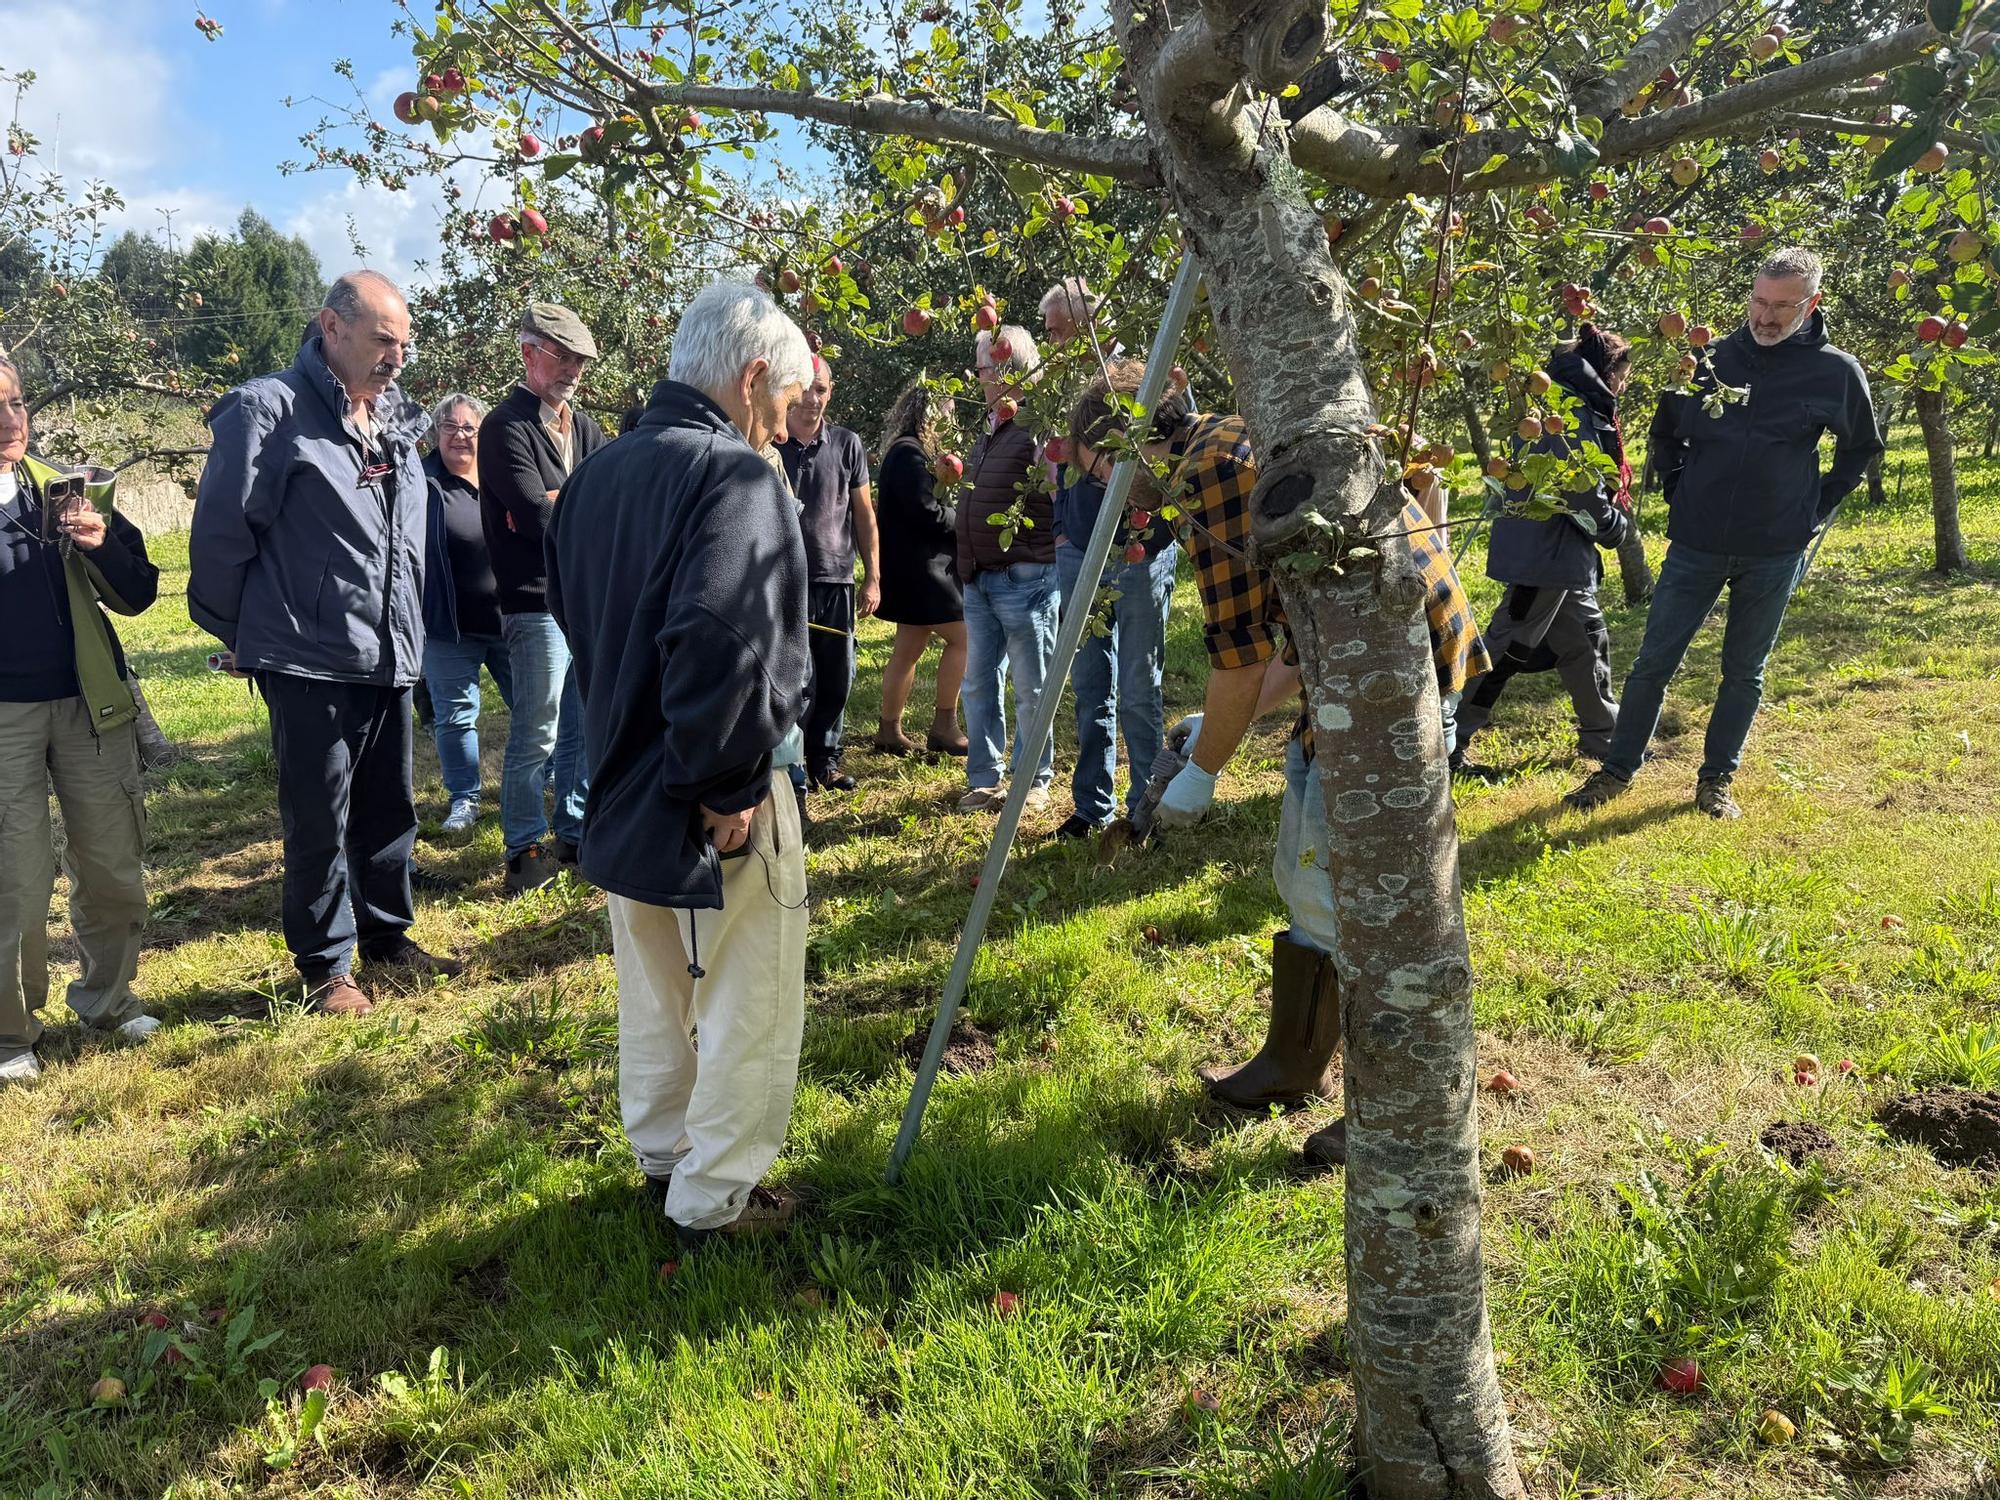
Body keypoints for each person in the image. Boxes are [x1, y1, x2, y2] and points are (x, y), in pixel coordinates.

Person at [1068, 362, 1488, 1164]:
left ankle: (1395, 1111)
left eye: (1102, 474)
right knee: (1310, 863)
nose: (1111, 497)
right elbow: (1294, 626)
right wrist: (1220, 727)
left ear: (1128, 446)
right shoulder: (1228, 441)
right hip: (1360, 651)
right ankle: (1295, 1063)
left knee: (1360, 894)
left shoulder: (1207, 478)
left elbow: (1237, 655)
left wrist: (1204, 771)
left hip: (1391, 667)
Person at [545, 278, 813, 1244]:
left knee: (653, 981)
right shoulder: (737, 478)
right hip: (713, 793)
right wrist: (727, 784)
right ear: (751, 378)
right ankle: (712, 1199)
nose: (782, 427)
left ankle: (662, 1155)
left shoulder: (594, 478)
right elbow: (722, 639)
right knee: (749, 990)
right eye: (783, 403)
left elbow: (578, 618)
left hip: (621, 775)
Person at [190, 271, 461, 1019]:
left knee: (389, 809)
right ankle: (326, 966)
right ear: (331, 327)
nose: (396, 358)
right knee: (320, 818)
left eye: (404, 344)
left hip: (389, 652)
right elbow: (220, 538)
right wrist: (248, 635)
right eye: (382, 341)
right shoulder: (267, 411)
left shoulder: (396, 421)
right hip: (308, 657)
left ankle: (387, 939)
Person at [1566, 246, 1882, 819]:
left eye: (1782, 307)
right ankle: (1617, 769)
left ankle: (1716, 780)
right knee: (1654, 662)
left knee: (1743, 671)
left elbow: (1860, 447)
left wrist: (1813, 507)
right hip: (1698, 542)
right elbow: (1666, 433)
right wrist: (1680, 490)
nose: (1765, 316)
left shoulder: (1835, 372)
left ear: (1811, 306)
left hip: (1774, 548)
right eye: (1759, 301)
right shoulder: (1708, 360)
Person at [0, 358, 163, 1085]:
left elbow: (140, 592)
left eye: (15, 402)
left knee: (112, 864)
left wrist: (102, 544)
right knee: (13, 878)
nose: (9, 420)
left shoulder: (66, 487)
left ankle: (109, 999)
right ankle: (9, 1032)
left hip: (89, 707)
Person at [1453, 324, 1633, 773]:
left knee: (1586, 641)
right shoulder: (1566, 413)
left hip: (1558, 553)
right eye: (1623, 377)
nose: (1624, 386)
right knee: (1506, 648)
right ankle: (1448, 740)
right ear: (1609, 371)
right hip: (1544, 554)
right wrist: (1613, 527)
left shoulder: (1557, 403)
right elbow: (1579, 488)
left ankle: (1604, 735)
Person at [479, 304, 607, 891]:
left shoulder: (585, 428)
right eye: (564, 356)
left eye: (581, 359)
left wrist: (560, 500)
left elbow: (612, 501)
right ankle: (524, 846)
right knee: (539, 730)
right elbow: (534, 516)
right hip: (533, 601)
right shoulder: (504, 425)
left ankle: (574, 831)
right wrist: (564, 505)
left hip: (584, 598)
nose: (575, 369)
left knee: (582, 725)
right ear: (529, 352)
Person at [955, 323, 1059, 813]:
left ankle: (1034, 779)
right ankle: (985, 776)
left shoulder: (1038, 427)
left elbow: (1058, 497)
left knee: (1032, 687)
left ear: (1005, 369)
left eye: (982, 368)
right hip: (979, 578)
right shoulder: (991, 428)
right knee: (978, 684)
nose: (978, 378)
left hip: (1024, 579)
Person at [775, 355, 878, 793]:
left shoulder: (847, 444)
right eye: (807, 388)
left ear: (830, 392)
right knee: (794, 677)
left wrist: (873, 576)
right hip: (785, 580)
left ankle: (826, 760)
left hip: (836, 577)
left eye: (821, 389)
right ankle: (792, 763)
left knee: (838, 676)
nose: (813, 398)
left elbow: (864, 515)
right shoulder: (772, 442)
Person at [419, 393, 514, 836]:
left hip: (512, 618)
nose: (460, 436)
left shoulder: (503, 473)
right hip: (448, 624)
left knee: (536, 706)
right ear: (436, 433)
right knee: (455, 717)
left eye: (469, 428)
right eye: (450, 427)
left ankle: (553, 773)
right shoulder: (420, 481)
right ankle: (464, 798)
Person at [871, 377, 968, 757]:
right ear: (930, 415)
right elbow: (925, 512)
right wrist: (962, 518)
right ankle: (945, 725)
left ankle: (889, 729)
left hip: (909, 567)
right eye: (946, 414)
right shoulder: (911, 456)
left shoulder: (906, 452)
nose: (950, 423)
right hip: (923, 569)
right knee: (964, 638)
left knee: (908, 647)